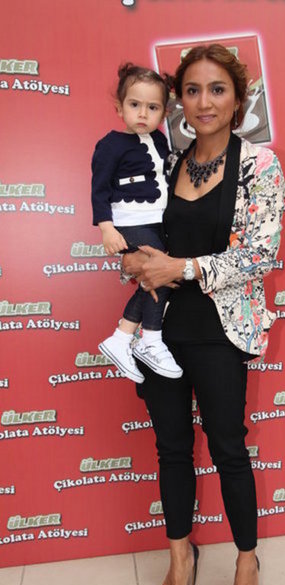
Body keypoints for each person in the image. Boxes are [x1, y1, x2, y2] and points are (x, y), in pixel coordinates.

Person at [123, 44, 285, 585]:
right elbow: (142, 231)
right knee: (170, 448)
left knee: (228, 448)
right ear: (179, 102)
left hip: (221, 333)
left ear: (238, 99)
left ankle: (246, 562)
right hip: (159, 331)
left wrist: (183, 268)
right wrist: (135, 259)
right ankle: (179, 556)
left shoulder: (259, 165)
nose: (204, 101)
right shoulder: (166, 163)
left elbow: (260, 254)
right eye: (192, 90)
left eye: (217, 89)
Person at [91, 63, 183, 383]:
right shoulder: (110, 144)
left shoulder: (160, 140)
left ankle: (122, 337)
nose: (143, 113)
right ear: (120, 107)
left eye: (152, 107)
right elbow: (99, 189)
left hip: (158, 222)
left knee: (154, 278)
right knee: (160, 273)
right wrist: (106, 228)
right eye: (134, 104)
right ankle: (151, 339)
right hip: (129, 221)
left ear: (165, 112)